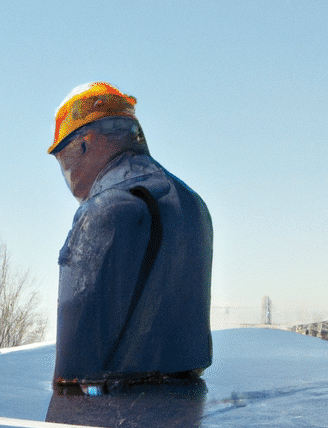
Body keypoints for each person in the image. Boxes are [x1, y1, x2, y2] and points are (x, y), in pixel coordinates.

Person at [49, 83, 213, 391]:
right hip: (186, 416)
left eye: (64, 158)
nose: (67, 174)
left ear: (85, 143)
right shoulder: (194, 203)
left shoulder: (103, 211)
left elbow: (72, 375)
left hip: (109, 425)